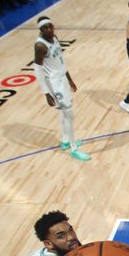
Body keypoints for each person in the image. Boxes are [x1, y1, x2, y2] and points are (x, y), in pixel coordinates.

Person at [33, 16, 91, 161]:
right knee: (69, 113)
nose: (48, 29)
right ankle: (74, 149)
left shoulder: (55, 38)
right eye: (45, 28)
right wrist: (46, 92)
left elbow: (61, 62)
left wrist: (69, 79)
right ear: (40, 30)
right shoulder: (40, 46)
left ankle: (65, 140)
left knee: (65, 112)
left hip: (62, 78)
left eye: (50, 26)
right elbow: (37, 70)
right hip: (53, 82)